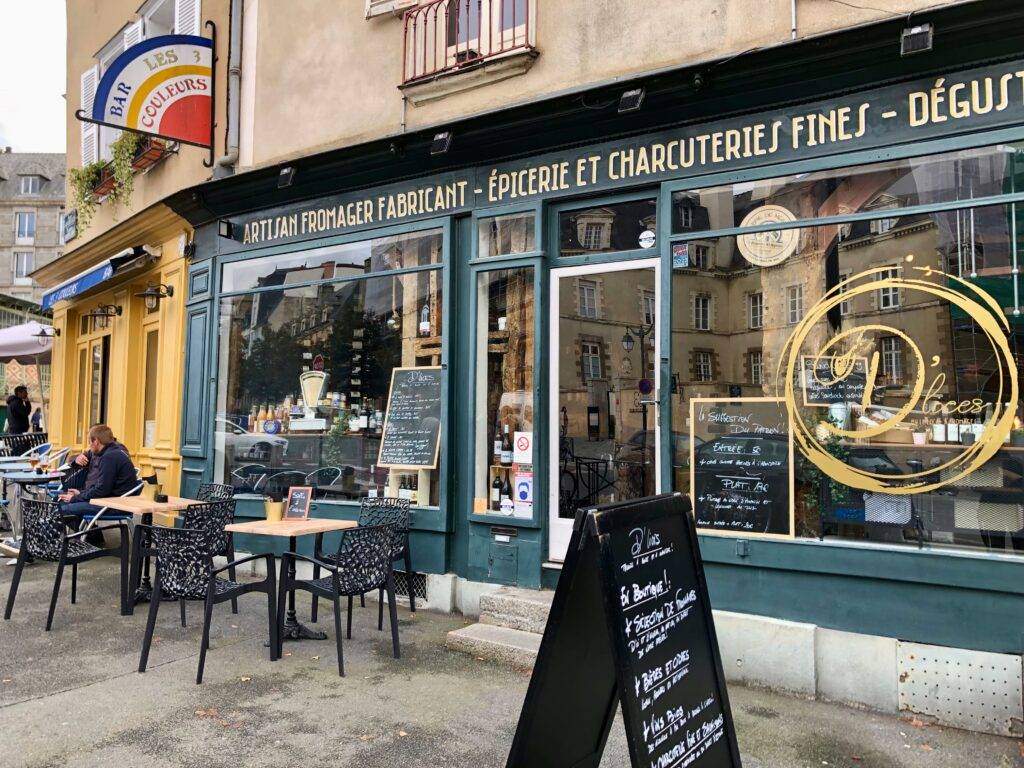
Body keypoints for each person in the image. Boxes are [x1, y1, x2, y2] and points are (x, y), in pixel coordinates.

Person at [58, 425, 138, 521]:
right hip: (109, 501)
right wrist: (81, 493)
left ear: (96, 441)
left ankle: (91, 535)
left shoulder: (109, 457)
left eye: (89, 442)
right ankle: (90, 535)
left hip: (114, 505)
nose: (89, 446)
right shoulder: (110, 452)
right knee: (60, 502)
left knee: (62, 509)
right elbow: (102, 487)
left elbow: (102, 490)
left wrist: (76, 498)